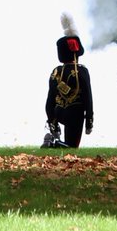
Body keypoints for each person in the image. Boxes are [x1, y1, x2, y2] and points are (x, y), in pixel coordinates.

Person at [44, 15, 93, 148]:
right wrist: (89, 119)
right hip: (75, 113)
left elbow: (50, 99)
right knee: (72, 146)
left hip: (58, 111)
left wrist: (51, 119)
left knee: (69, 146)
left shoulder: (56, 71)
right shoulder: (82, 71)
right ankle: (55, 145)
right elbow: (88, 98)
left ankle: (53, 142)